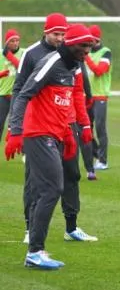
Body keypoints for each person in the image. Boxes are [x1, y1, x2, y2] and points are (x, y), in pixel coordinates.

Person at [5, 24, 95, 269]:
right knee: (52, 188)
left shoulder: (73, 66)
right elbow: (23, 94)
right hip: (38, 134)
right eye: (83, 46)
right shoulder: (51, 62)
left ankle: (36, 249)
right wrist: (15, 131)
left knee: (51, 187)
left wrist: (68, 133)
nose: (87, 51)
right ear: (70, 44)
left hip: (55, 134)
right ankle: (35, 251)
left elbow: (63, 103)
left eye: (89, 46)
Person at [85, 24, 112, 172]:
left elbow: (99, 71)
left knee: (100, 129)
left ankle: (103, 160)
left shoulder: (106, 52)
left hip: (100, 96)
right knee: (85, 129)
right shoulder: (85, 52)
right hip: (86, 96)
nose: (88, 44)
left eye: (90, 41)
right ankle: (96, 153)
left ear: (96, 40)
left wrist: (86, 57)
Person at [1, 29, 23, 140]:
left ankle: (26, 154)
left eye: (17, 40)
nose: (15, 43)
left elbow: (22, 69)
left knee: (22, 125)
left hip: (19, 95)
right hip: (3, 95)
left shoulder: (24, 53)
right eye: (12, 41)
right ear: (6, 43)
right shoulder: (0, 55)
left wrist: (9, 56)